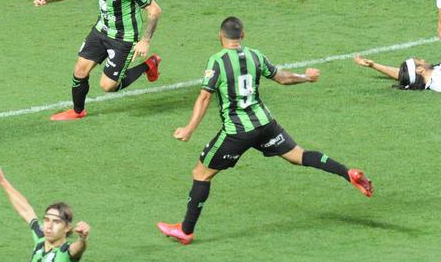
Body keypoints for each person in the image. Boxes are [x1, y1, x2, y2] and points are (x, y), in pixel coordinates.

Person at [157, 16, 372, 245]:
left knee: (201, 174)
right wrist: (307, 77)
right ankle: (347, 173)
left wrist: (189, 128)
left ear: (220, 36)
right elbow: (283, 78)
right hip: (265, 125)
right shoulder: (255, 56)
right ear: (243, 36)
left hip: (237, 132)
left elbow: (205, 96)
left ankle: (185, 231)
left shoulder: (217, 61)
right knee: (299, 155)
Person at [28, 0, 162, 121]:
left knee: (108, 86)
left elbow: (155, 9)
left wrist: (145, 41)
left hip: (124, 38)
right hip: (101, 30)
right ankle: (78, 111)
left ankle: (149, 65)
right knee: (80, 70)